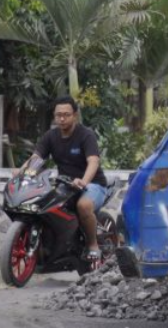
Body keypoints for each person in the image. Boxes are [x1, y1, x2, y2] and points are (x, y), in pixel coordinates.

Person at [22, 96, 109, 262]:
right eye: (58, 115)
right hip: (66, 185)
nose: (62, 118)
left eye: (66, 115)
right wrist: (23, 172)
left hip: (93, 184)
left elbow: (93, 161)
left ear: (74, 115)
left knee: (83, 206)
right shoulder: (50, 136)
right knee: (44, 204)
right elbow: (37, 158)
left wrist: (83, 181)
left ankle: (93, 245)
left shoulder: (86, 135)